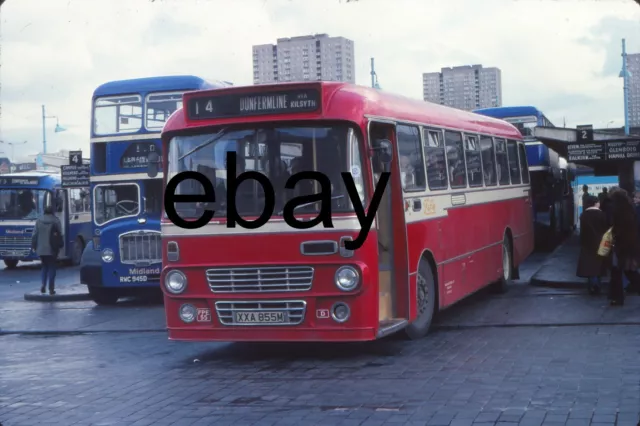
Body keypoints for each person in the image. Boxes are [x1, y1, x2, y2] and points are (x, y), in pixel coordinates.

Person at [608, 188, 640, 305]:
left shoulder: (617, 212)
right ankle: (617, 297)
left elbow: (616, 229)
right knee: (629, 271)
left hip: (622, 246)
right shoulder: (631, 210)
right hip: (631, 246)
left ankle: (617, 298)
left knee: (618, 272)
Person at [576, 195, 608, 295]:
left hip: (587, 243)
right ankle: (597, 284)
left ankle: (592, 285)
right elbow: (606, 229)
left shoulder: (583, 215)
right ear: (596, 203)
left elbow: (582, 231)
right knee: (599, 265)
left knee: (589, 266)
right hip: (600, 242)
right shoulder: (602, 215)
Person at [31, 205, 62, 295]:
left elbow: (34, 235)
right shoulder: (56, 221)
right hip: (52, 249)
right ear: (52, 211)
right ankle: (51, 288)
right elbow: (60, 234)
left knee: (44, 267)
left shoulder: (39, 220)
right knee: (52, 267)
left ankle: (43, 285)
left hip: (41, 249)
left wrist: (34, 246)